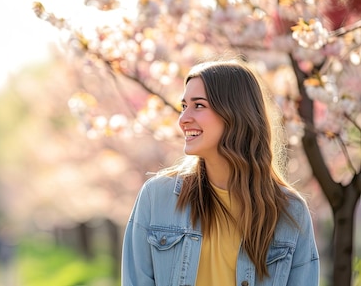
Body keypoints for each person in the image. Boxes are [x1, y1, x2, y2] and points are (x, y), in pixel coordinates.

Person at [121, 59, 319, 285]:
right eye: (184, 106)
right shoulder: (157, 197)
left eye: (199, 105)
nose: (183, 119)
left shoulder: (290, 212)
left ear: (235, 113)